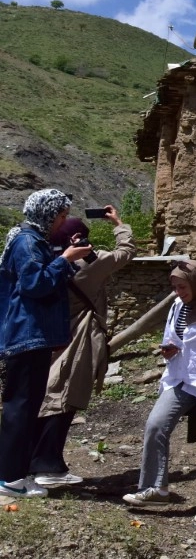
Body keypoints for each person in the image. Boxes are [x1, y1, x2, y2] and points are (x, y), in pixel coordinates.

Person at [123, 261, 196, 525]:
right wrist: (170, 349)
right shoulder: (178, 307)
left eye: (182, 286)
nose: (178, 292)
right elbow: (174, 338)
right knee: (156, 425)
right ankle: (156, 488)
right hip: (181, 378)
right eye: (175, 287)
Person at [30, 205, 136, 488]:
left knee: (47, 397)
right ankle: (48, 465)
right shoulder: (86, 267)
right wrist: (118, 223)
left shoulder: (47, 264)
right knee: (64, 399)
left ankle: (33, 460)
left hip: (48, 338)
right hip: (78, 339)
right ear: (77, 238)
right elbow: (125, 253)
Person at [0, 188, 92, 498]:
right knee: (20, 407)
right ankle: (10, 479)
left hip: (34, 335)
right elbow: (34, 284)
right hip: (27, 333)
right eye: (61, 216)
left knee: (26, 406)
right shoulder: (27, 242)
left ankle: (17, 473)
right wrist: (65, 259)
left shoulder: (33, 241)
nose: (61, 223)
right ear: (46, 214)